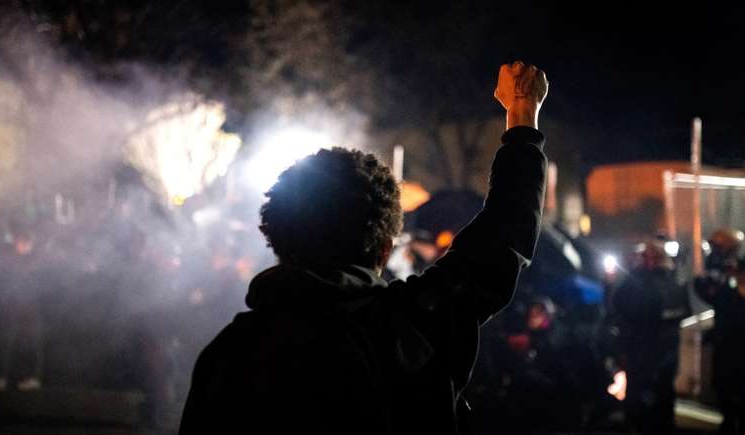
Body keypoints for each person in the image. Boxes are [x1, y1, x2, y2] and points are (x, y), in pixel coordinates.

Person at [179, 61, 549, 435]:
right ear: (384, 249)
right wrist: (521, 114)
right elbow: (503, 234)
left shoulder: (228, 354)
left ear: (277, 238)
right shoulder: (407, 327)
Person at [612, 241, 690, 435]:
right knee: (663, 397)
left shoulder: (639, 282)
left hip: (644, 350)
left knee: (643, 400)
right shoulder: (676, 280)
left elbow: (621, 307)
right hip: (666, 351)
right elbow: (684, 311)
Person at [695, 229, 745, 435]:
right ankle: (728, 420)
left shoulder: (739, 268)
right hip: (725, 338)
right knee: (724, 384)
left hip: (739, 339)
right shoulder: (716, 269)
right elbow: (709, 292)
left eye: (719, 246)